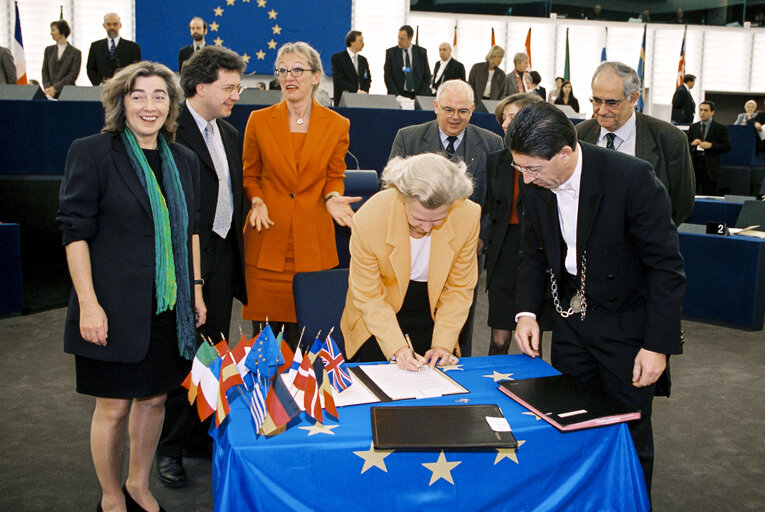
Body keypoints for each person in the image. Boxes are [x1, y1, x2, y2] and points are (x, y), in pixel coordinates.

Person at [510, 102, 685, 498]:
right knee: (571, 424)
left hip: (627, 329)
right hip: (571, 322)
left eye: (533, 169)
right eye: (519, 168)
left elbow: (666, 268)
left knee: (627, 434)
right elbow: (533, 252)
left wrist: (658, 346)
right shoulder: (534, 178)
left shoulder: (631, 178)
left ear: (566, 153)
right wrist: (525, 312)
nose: (526, 178)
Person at [57, 61, 205, 512]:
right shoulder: (92, 152)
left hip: (169, 308)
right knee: (114, 407)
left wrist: (195, 291)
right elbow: (74, 232)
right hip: (111, 307)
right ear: (121, 102)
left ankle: (139, 486)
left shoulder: (184, 160)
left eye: (160, 95)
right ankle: (110, 496)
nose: (149, 105)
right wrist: (88, 304)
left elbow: (190, 232)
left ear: (172, 104)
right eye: (138, 95)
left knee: (156, 398)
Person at [156, 46, 247, 488]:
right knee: (178, 358)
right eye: (229, 87)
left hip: (222, 262)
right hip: (182, 265)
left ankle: (197, 435)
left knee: (210, 357)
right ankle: (169, 448)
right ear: (200, 87)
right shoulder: (169, 133)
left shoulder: (229, 133)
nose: (237, 94)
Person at [242, 42, 359, 340]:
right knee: (266, 344)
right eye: (283, 71)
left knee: (310, 340)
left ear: (316, 76)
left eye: (298, 70)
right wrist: (256, 201)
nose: (289, 77)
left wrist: (333, 198)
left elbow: (334, 176)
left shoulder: (337, 124)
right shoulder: (258, 120)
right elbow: (249, 174)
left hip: (313, 244)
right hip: (268, 241)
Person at [388, 79, 503, 356]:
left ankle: (454, 359)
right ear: (435, 106)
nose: (455, 117)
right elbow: (391, 190)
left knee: (459, 308)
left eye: (463, 111)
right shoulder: (409, 137)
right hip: (414, 241)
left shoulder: (492, 143)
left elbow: (496, 202)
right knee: (410, 306)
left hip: (466, 248)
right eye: (448, 109)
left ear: (473, 110)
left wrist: (481, 239)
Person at [340, 153, 479, 369]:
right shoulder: (370, 218)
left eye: (437, 220)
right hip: (378, 315)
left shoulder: (467, 215)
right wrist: (398, 348)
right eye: (418, 219)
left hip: (433, 311)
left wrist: (442, 345)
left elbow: (459, 289)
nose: (426, 229)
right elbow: (369, 296)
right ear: (403, 197)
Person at [576, 61, 695, 226]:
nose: (602, 110)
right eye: (596, 101)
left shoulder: (670, 140)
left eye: (612, 103)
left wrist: (650, 235)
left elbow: (681, 203)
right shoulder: (578, 135)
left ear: (633, 98)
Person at [485, 92, 543, 355]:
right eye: (503, 118)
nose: (506, 123)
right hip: (503, 249)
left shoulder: (546, 159)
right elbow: (487, 207)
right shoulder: (496, 160)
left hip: (536, 249)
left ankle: (531, 391)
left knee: (531, 335)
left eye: (513, 117)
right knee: (499, 337)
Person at [688, 101, 731, 195]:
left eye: (706, 110)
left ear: (712, 112)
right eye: (701, 110)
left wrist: (711, 145)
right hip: (695, 165)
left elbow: (727, 146)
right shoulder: (693, 127)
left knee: (709, 194)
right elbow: (687, 144)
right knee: (692, 194)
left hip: (710, 167)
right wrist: (692, 144)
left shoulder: (721, 128)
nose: (702, 113)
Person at [86, 12, 142, 85]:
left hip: (124, 89)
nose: (112, 27)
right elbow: (90, 69)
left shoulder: (133, 47)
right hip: (101, 90)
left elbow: (136, 70)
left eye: (115, 24)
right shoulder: (95, 46)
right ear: (104, 26)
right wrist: (99, 84)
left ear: (120, 26)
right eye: (108, 24)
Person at [383, 25, 431, 98]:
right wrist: (397, 95)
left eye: (402, 39)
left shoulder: (421, 53)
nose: (399, 41)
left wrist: (421, 96)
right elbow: (388, 76)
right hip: (398, 95)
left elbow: (427, 76)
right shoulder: (391, 53)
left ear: (410, 38)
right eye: (398, 38)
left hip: (416, 95)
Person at [42, 19, 81, 98]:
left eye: (53, 30)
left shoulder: (75, 53)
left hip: (67, 93)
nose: (51, 33)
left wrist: (55, 88)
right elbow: (44, 71)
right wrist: (48, 88)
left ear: (62, 32)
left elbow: (72, 75)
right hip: (49, 94)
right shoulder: (48, 50)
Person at [331, 30, 371, 106]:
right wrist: (356, 91)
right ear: (352, 42)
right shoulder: (338, 58)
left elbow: (368, 79)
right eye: (360, 41)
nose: (363, 44)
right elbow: (339, 80)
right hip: (344, 101)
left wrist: (364, 92)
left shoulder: (363, 60)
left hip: (361, 101)